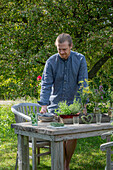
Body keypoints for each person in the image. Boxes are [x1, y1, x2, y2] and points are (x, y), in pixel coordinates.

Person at [38, 33, 88, 170]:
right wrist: (44, 105)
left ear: (71, 46)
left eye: (64, 49)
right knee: (60, 136)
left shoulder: (80, 59)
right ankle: (61, 166)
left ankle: (65, 165)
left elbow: (83, 83)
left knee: (72, 136)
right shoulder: (51, 62)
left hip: (74, 106)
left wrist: (83, 105)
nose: (61, 52)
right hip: (56, 107)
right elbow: (46, 84)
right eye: (59, 49)